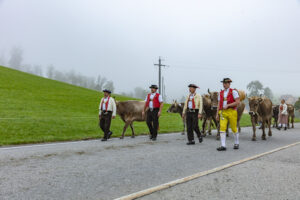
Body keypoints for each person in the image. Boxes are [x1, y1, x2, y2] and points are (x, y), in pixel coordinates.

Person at [216, 78, 240, 151]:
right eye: (223, 83)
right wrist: (217, 114)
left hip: (232, 111)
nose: (224, 84)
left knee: (233, 128)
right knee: (222, 128)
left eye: (226, 83)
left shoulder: (234, 92)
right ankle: (223, 145)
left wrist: (229, 105)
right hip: (223, 112)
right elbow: (218, 104)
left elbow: (237, 102)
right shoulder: (220, 93)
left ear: (229, 84)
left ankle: (236, 142)